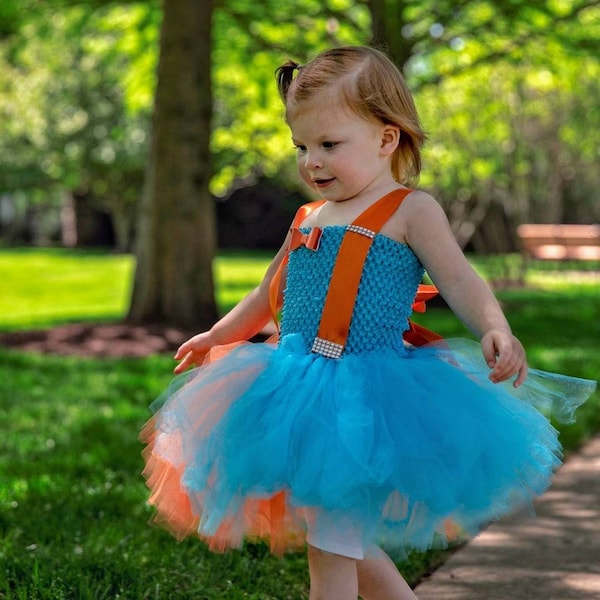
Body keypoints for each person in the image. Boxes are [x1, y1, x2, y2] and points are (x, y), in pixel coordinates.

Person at [140, 46, 595, 600]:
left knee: (331, 548)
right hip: (293, 386)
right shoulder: (307, 217)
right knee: (335, 535)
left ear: (386, 138)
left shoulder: (409, 209)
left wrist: (493, 327)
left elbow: (460, 279)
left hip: (365, 396)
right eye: (302, 146)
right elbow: (268, 293)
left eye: (330, 144)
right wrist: (219, 335)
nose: (313, 161)